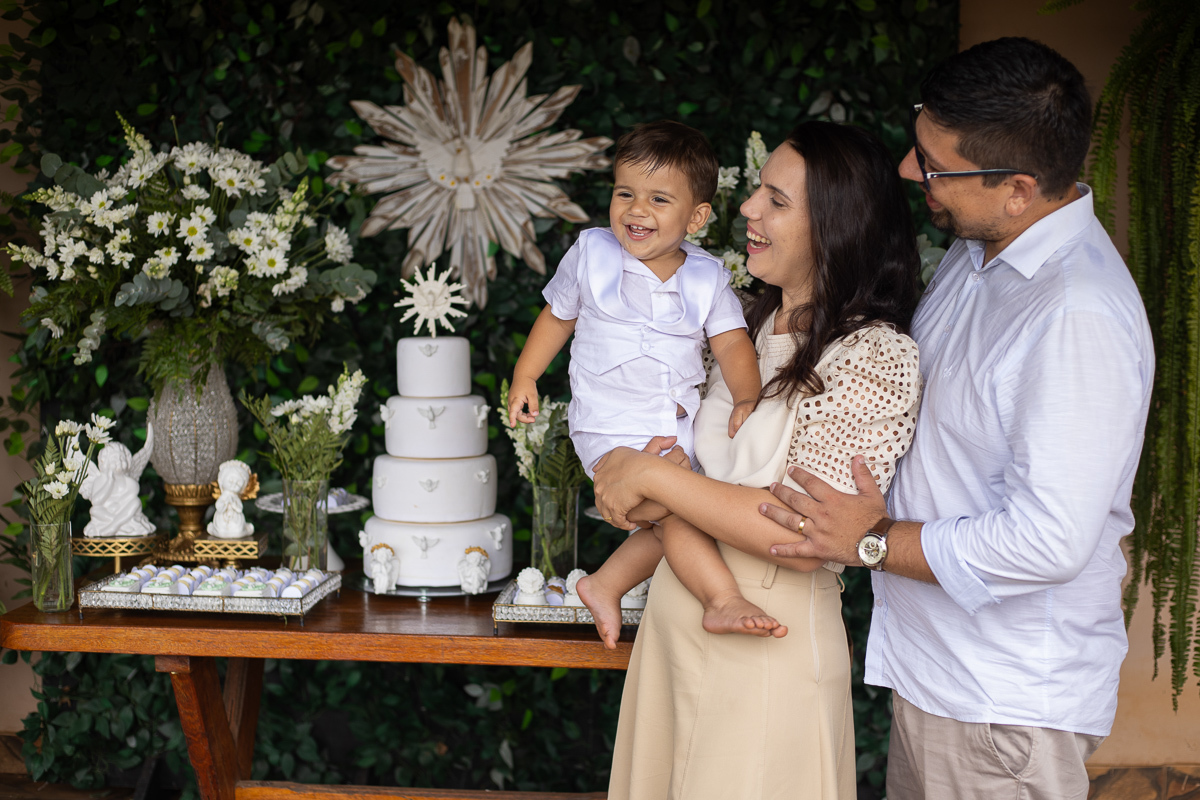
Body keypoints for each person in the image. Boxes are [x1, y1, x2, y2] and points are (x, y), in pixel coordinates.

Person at [755, 38, 1155, 800]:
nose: (912, 173)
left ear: (1019, 188)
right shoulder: (985, 253)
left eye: (935, 167)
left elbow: (1048, 539)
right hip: (945, 678)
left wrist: (870, 541)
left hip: (999, 706)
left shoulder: (1076, 318)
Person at [592, 121, 922, 800]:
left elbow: (805, 533)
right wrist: (642, 473)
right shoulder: (735, 327)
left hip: (767, 652)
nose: (748, 209)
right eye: (756, 194)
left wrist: (652, 477)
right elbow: (682, 477)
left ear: (837, 224)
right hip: (672, 631)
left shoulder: (874, 356)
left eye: (776, 199)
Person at [508, 120, 782, 644]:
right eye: (625, 193)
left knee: (677, 511)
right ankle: (719, 598)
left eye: (658, 199)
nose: (637, 210)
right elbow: (557, 317)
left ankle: (609, 584)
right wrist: (526, 375)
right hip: (607, 425)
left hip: (670, 426)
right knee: (680, 505)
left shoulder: (707, 278)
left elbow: (731, 343)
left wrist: (747, 396)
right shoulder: (592, 253)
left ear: (697, 216)